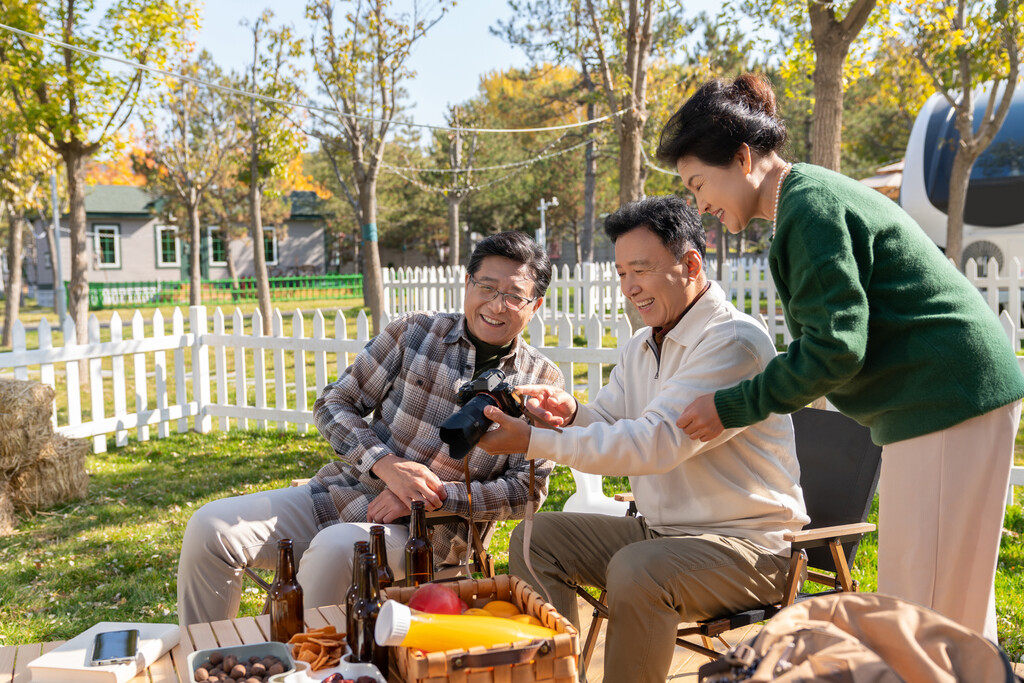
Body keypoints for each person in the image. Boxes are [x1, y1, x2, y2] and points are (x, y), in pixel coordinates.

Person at [660, 73, 1024, 641]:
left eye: (698, 183)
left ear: (742, 156)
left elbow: (834, 348)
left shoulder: (808, 208)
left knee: (922, 610)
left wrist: (733, 405)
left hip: (947, 397)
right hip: (946, 397)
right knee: (948, 602)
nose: (699, 204)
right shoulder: (804, 201)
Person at [478, 196, 808, 683]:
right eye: (620, 273)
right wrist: (569, 415)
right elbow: (611, 421)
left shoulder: (732, 341)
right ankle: (554, 677)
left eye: (641, 270)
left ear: (690, 263)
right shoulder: (641, 344)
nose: (629, 288)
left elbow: (651, 445)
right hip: (661, 534)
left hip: (752, 548)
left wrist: (531, 442)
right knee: (537, 536)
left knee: (639, 568)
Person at [176, 231, 563, 627]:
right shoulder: (415, 332)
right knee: (211, 528)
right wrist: (385, 464)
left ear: (536, 306)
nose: (497, 304)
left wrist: (434, 496)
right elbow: (333, 404)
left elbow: (526, 493)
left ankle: (295, 665)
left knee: (336, 548)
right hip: (343, 492)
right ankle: (207, 657)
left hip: (430, 536)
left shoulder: (541, 382)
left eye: (515, 295)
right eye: (487, 286)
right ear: (467, 283)